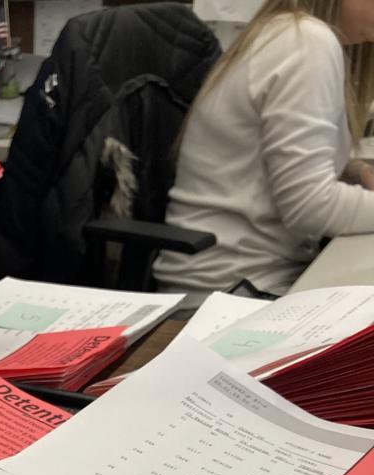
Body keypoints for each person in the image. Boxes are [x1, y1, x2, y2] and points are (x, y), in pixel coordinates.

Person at [152, 0, 374, 302]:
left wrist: (356, 172)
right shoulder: (305, 43)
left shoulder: (290, 33)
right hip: (230, 295)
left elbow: (277, 162)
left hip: (251, 282)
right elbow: (312, 207)